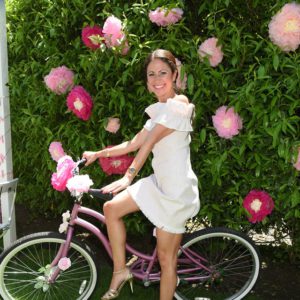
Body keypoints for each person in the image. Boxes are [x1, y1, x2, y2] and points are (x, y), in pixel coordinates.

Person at [82, 49, 200, 300]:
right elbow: (132, 144)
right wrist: (97, 154)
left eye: (163, 73)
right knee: (112, 209)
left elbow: (149, 144)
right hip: (158, 183)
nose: (157, 79)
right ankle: (120, 271)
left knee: (167, 261)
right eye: (151, 74)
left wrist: (128, 177)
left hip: (175, 193)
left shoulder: (179, 105)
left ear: (175, 75)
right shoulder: (160, 110)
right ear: (147, 81)